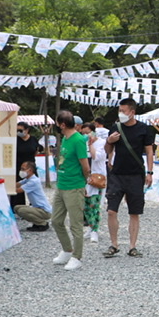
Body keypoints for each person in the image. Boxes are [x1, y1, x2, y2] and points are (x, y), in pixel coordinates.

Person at [104, 97, 155, 258]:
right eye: (119, 110)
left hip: (135, 175)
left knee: (134, 212)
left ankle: (132, 246)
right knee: (111, 211)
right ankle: (114, 244)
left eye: (123, 111)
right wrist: (109, 140)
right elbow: (108, 149)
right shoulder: (115, 127)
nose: (121, 113)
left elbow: (149, 152)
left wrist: (150, 172)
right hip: (117, 174)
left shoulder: (144, 129)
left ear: (132, 112)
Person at [50, 110, 89, 271]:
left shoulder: (78, 140)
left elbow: (85, 165)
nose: (57, 127)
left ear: (63, 124)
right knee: (56, 220)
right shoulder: (65, 138)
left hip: (74, 186)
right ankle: (67, 250)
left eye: (58, 124)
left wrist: (85, 183)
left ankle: (77, 257)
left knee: (75, 224)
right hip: (62, 185)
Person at [84, 125, 107, 244]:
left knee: (95, 204)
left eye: (88, 133)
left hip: (97, 177)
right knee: (86, 205)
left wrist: (90, 144)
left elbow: (96, 157)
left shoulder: (102, 143)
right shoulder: (82, 142)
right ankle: (90, 227)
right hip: (86, 176)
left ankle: (95, 231)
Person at [13, 160, 51, 231]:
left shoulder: (33, 181)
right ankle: (36, 223)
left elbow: (18, 190)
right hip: (37, 208)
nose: (21, 171)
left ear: (30, 170)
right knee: (16, 208)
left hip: (44, 211)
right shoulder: (28, 179)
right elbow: (17, 184)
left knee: (22, 211)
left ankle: (42, 224)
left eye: (23, 169)